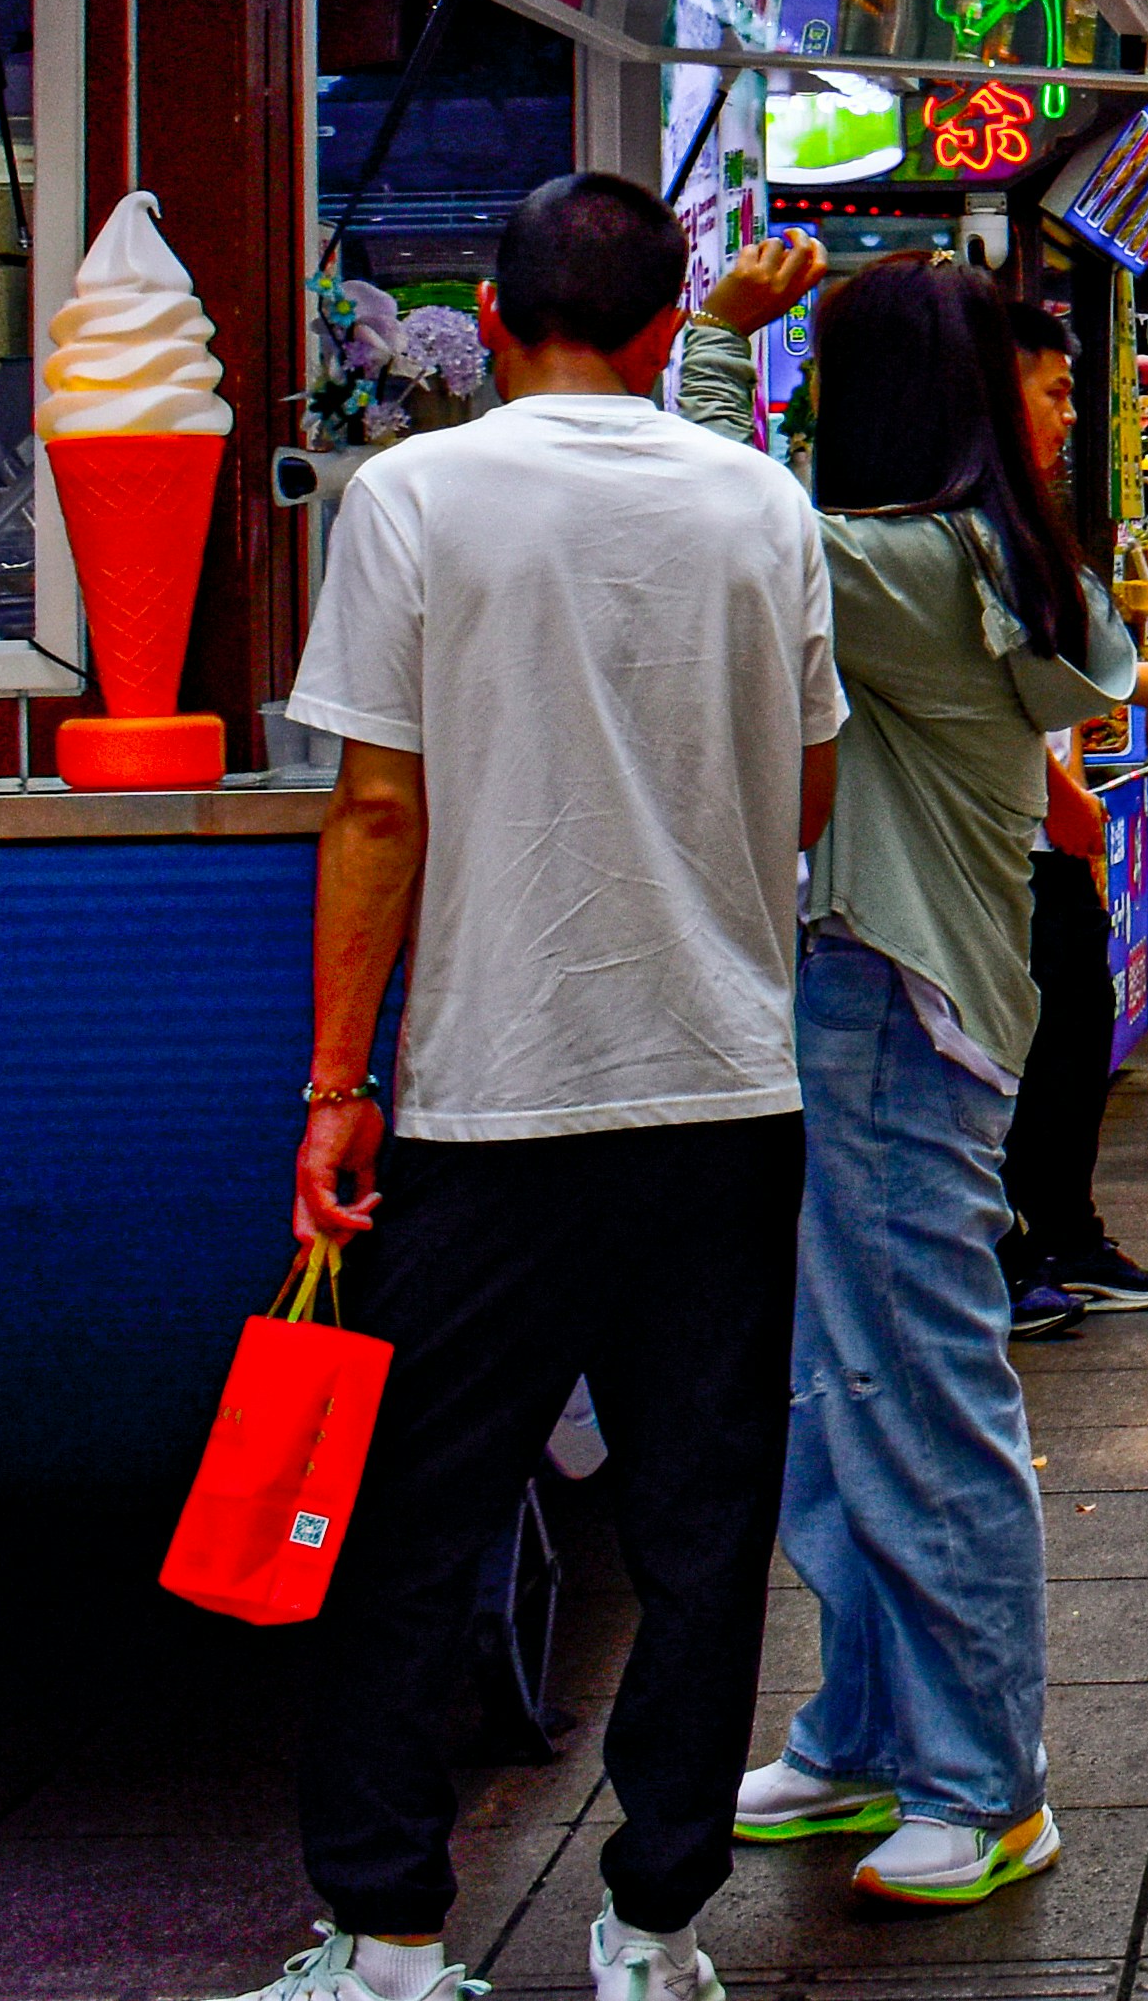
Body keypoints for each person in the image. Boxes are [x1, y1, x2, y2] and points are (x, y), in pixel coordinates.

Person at [233, 172, 835, 2001]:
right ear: (673, 331)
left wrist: (338, 1083)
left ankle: (396, 1937)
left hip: (487, 1101)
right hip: (723, 1094)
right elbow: (806, 789)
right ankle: (656, 1927)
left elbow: (380, 804)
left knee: (415, 1523)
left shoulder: (413, 499)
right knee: (702, 1529)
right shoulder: (760, 507)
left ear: (490, 318)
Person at [667, 242, 1136, 1913]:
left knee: (918, 1393)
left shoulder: (898, 567)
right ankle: (864, 1731)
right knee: (846, 1389)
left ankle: (983, 1782)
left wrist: (722, 339)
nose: (1059, 397)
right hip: (894, 990)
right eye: (1036, 372)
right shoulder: (968, 557)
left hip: (892, 999)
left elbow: (723, 513)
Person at [991, 314, 1148, 1333]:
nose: (1072, 412)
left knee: (1072, 1032)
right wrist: (1057, 793)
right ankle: (1017, 1252)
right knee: (1035, 1048)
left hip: (1047, 834)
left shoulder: (1023, 515)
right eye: (1056, 390)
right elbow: (989, 695)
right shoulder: (966, 530)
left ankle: (1061, 1233)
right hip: (1006, 847)